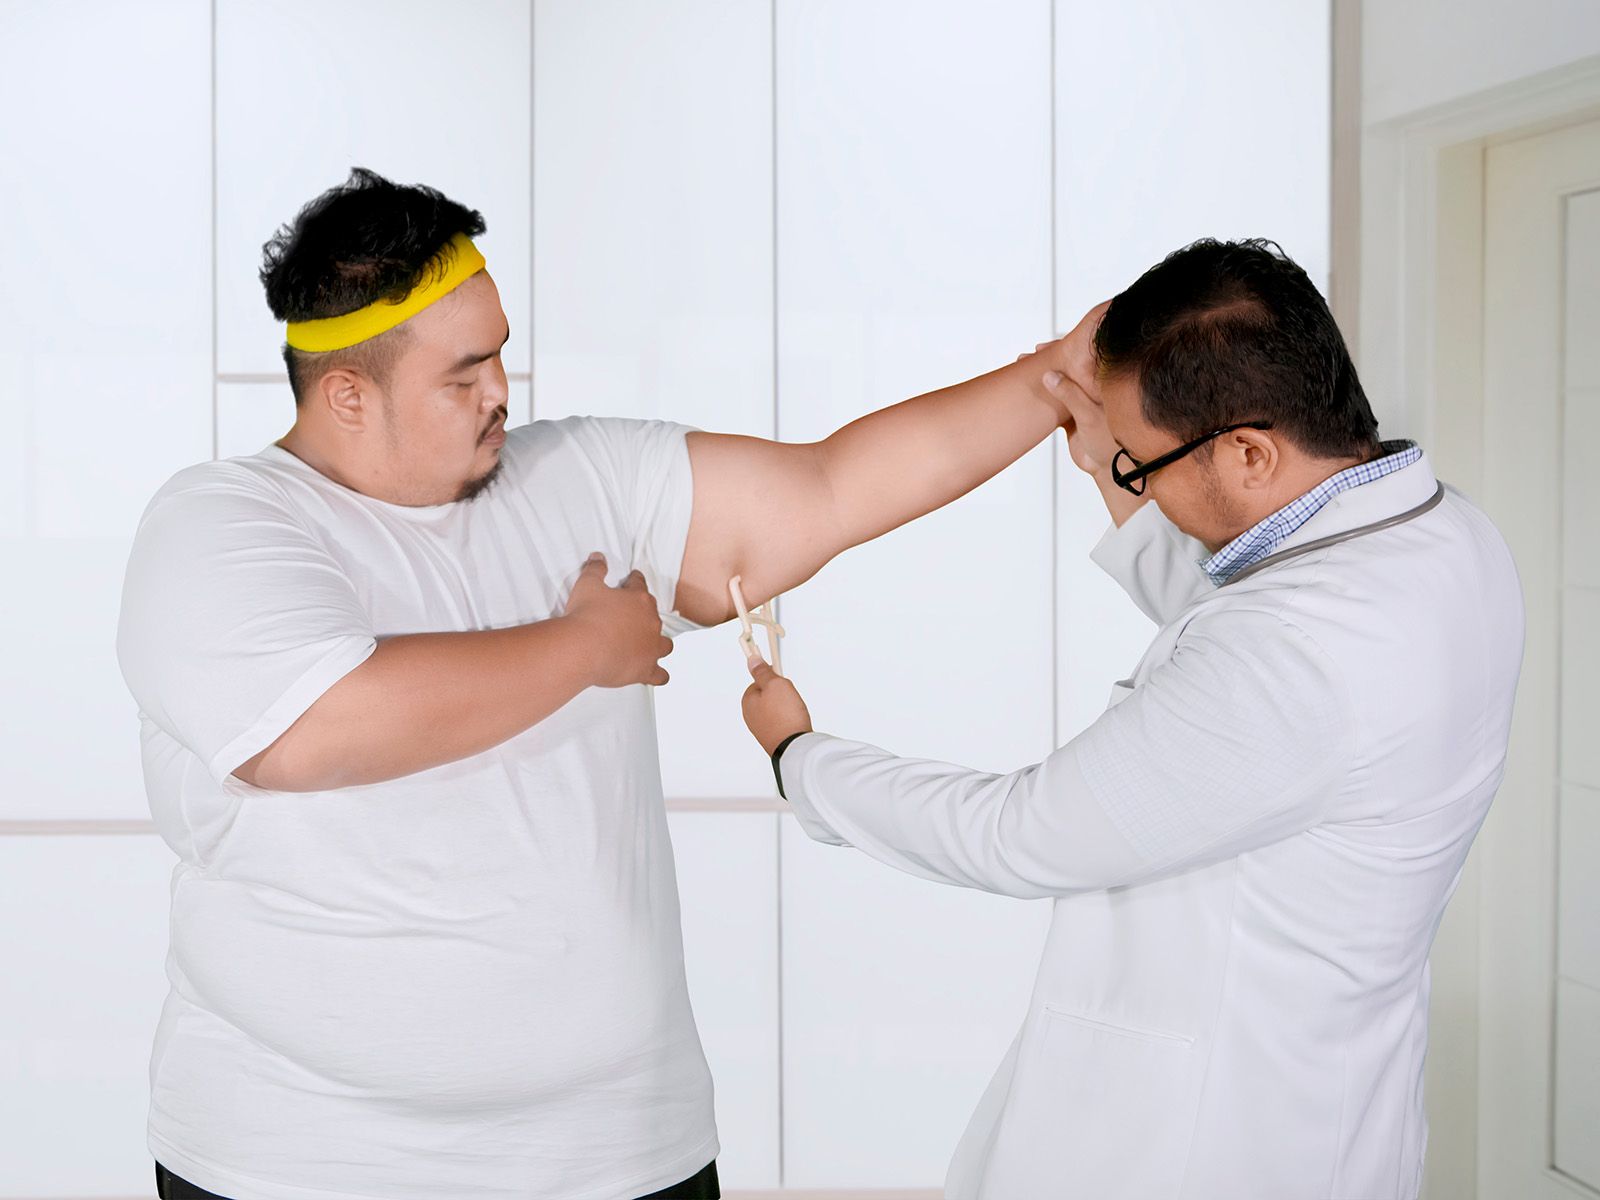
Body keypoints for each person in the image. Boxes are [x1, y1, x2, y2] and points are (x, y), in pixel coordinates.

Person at [113, 167, 1079, 1200]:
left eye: (501, 357)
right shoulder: (219, 526)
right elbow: (312, 731)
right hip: (302, 1165)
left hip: (616, 1157)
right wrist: (586, 645)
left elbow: (830, 489)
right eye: (463, 373)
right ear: (347, 391)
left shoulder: (582, 477)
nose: (500, 393)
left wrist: (1056, 376)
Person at [740, 239, 1525, 1200]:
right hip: (1333, 1097)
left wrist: (801, 757)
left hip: (1208, 1144)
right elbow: (1240, 654)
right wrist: (1113, 459)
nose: (1134, 480)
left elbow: (1018, 835)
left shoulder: (1292, 660)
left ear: (1248, 450)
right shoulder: (1448, 536)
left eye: (1142, 462)